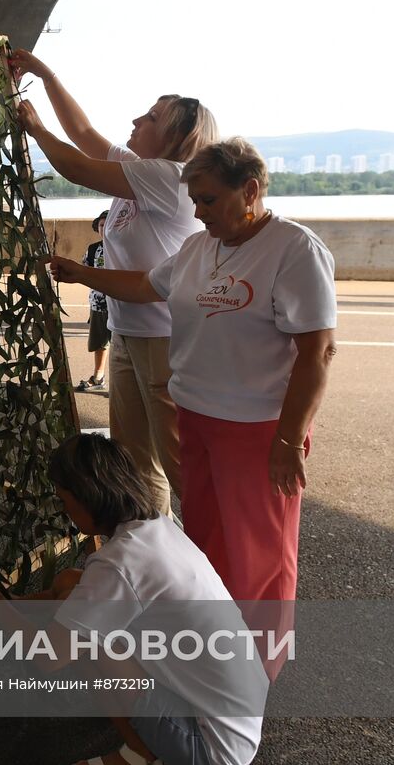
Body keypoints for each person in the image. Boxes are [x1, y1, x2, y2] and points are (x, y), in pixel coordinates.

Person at [46, 138, 337, 635]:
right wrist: (80, 274)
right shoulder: (198, 248)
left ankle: (259, 657)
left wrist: (289, 441)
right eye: (194, 201)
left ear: (249, 190)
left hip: (257, 428)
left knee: (260, 549)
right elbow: (144, 286)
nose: (198, 212)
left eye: (208, 200)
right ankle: (216, 640)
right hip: (196, 418)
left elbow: (318, 352)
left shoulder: (293, 248)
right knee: (206, 535)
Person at [0, 434, 264, 765]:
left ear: (88, 500)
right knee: (73, 587)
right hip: (236, 719)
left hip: (210, 745)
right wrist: (10, 601)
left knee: (88, 644)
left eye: (66, 501)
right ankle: (147, 737)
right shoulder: (156, 529)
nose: (64, 511)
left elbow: (47, 656)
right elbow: (81, 595)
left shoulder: (119, 564)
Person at [10, 48, 218, 513]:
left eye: (151, 116)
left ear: (178, 135)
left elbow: (76, 166)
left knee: (178, 464)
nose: (137, 119)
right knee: (134, 462)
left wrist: (36, 128)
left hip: (164, 340)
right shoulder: (139, 172)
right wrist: (45, 75)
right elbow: (84, 136)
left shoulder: (170, 177)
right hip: (128, 333)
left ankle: (211, 559)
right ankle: (158, 552)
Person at [78, 210, 110, 391]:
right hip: (98, 304)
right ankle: (98, 377)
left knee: (123, 345)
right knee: (100, 342)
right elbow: (85, 272)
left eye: (108, 225)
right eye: (101, 225)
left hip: (121, 303)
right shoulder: (92, 249)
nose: (104, 229)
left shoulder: (125, 247)